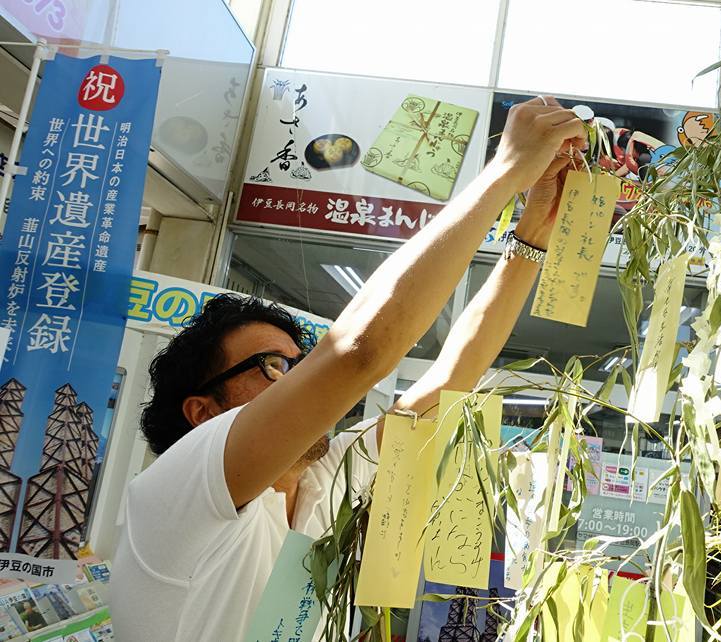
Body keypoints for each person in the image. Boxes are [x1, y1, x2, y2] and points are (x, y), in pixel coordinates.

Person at [110, 97, 586, 641]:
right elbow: (359, 353)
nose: (295, 379)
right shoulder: (183, 487)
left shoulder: (320, 482)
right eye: (271, 367)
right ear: (202, 411)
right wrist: (505, 170)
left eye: (297, 364)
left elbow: (449, 380)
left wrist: (534, 232)